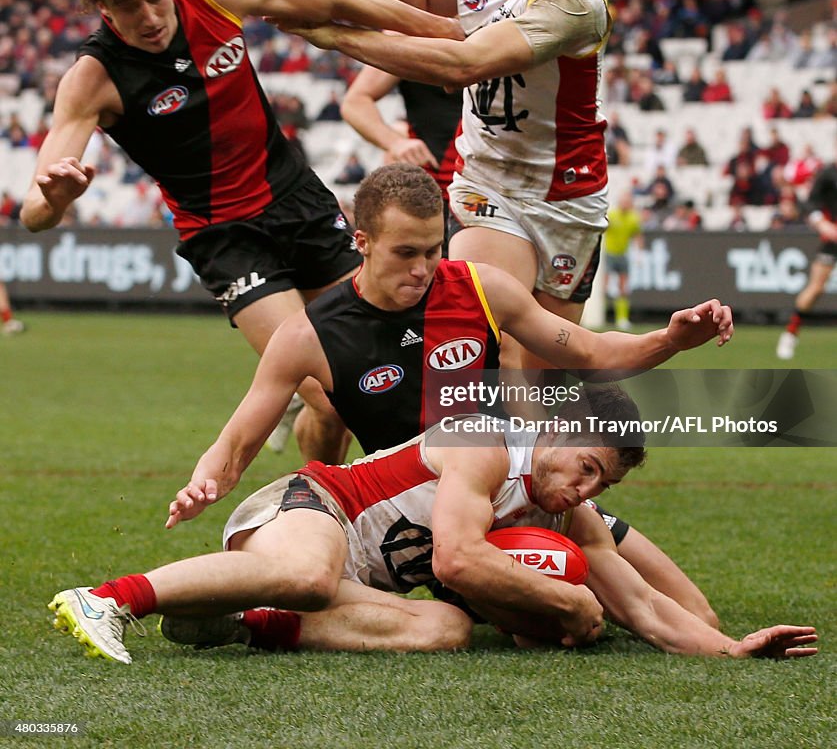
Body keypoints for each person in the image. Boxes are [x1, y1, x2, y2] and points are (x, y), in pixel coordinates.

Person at [166, 166, 732, 624]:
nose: (423, 268)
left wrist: (671, 339)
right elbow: (237, 441)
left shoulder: (480, 289)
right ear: (361, 242)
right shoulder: (308, 335)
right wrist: (205, 483)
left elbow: (587, 352)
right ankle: (252, 608)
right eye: (405, 252)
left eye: (432, 249)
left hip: (511, 488)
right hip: (429, 515)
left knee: (695, 613)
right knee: (555, 621)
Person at [19, 0, 461, 462]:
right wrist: (54, 198)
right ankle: (330, 511)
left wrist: (446, 30)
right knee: (327, 390)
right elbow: (34, 212)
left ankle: (341, 500)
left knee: (384, 362)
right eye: (129, 8)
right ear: (101, 5)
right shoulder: (93, 78)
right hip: (223, 235)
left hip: (298, 198)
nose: (151, 17)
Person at [48, 389, 818, 666]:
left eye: (601, 483)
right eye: (584, 465)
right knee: (318, 577)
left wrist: (729, 648)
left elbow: (645, 611)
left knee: (446, 630)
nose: (583, 489)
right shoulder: (487, 444)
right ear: (556, 430)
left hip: (357, 575)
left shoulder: (566, 506)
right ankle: (109, 598)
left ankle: (238, 623)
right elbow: (454, 557)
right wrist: (563, 607)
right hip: (311, 509)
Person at [281, 0, 613, 351]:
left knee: (536, 381)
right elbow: (419, 14)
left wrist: (336, 35)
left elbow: (465, 62)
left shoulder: (578, 2)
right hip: (488, 180)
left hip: (566, 196)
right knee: (475, 336)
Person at [339, 0, 482, 212]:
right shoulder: (413, 32)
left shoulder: (506, 21)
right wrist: (394, 141)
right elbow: (355, 101)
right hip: (437, 185)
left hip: (492, 180)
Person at [776, 150, 837, 359]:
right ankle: (790, 334)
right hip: (833, 239)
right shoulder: (827, 174)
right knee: (816, 288)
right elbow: (810, 205)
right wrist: (823, 224)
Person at [604, 190, 643, 330]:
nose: (626, 204)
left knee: (623, 288)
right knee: (605, 286)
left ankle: (622, 319)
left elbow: (637, 235)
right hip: (609, 254)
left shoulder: (634, 218)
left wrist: (639, 254)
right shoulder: (612, 215)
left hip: (622, 255)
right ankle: (601, 315)